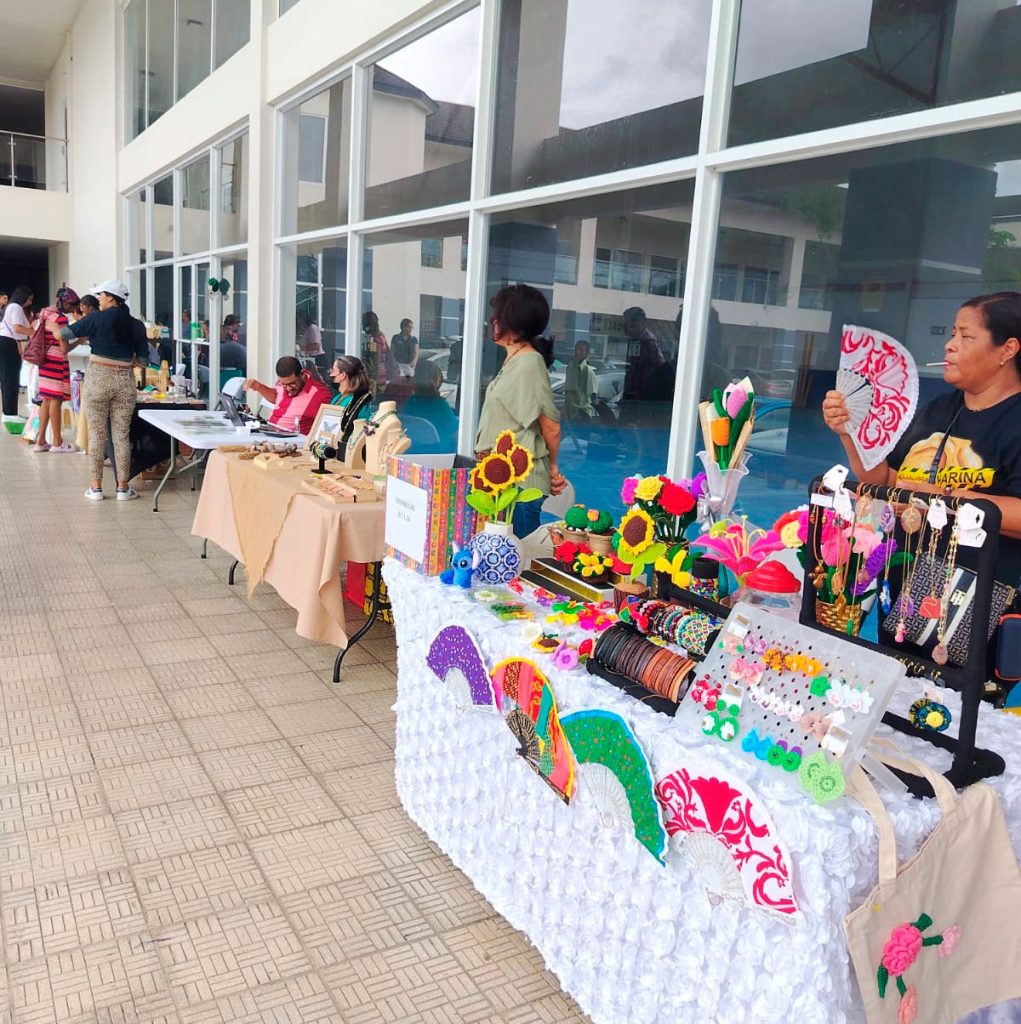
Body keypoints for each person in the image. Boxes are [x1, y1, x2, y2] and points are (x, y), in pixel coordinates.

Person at [823, 291, 1021, 584]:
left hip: (976, 600)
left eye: (966, 337)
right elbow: (887, 482)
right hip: (905, 588)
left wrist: (936, 499)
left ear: (1007, 349)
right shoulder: (936, 412)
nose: (949, 346)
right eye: (953, 335)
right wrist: (849, 433)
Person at [475, 284, 566, 538]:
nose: (493, 320)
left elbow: (551, 425)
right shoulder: (515, 358)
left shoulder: (528, 362)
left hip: (519, 485)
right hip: (503, 482)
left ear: (511, 322)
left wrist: (553, 468)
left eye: (498, 315)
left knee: (516, 565)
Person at [59, 279, 148, 501]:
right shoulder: (136, 325)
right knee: (121, 435)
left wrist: (52, 327)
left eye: (100, 295)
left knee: (97, 435)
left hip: (98, 376)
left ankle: (96, 488)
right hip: (124, 379)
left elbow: (65, 334)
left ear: (110, 297)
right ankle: (122, 488)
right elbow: (144, 361)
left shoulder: (95, 318)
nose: (98, 298)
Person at [33, 286, 82, 453]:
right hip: (56, 362)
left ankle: (40, 441)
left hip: (44, 360)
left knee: (46, 399)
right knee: (56, 400)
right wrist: (79, 341)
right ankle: (57, 442)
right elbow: (64, 348)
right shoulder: (61, 320)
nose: (73, 310)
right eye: (72, 306)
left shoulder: (44, 313)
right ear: (65, 304)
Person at [245, 355, 331, 434]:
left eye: (292, 383)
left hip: (294, 441)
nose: (288, 388)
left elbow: (327, 426)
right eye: (283, 384)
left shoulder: (319, 394)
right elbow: (277, 397)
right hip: (271, 432)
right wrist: (259, 387)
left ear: (302, 373)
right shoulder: (284, 384)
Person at [403, 360, 459, 453]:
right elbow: (455, 433)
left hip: (413, 451)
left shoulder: (411, 403)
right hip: (439, 453)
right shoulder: (440, 406)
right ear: (437, 379)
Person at [0, 285, 34, 422]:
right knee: (10, 379)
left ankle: (10, 412)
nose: (30, 302)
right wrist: (35, 333)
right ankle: (9, 413)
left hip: (8, 343)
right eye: (29, 299)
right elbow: (17, 328)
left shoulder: (10, 307)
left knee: (9, 378)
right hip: (7, 343)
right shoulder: (16, 307)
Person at [328, 355, 372, 455]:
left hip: (347, 452)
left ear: (343, 375)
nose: (331, 374)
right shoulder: (339, 397)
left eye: (333, 370)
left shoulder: (357, 403)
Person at [621, 306, 665, 401]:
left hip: (641, 396)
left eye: (629, 325)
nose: (626, 328)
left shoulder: (648, 342)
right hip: (633, 393)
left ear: (640, 324)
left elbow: (657, 368)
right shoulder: (635, 340)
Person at [362, 311, 397, 393]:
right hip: (381, 373)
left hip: (376, 375)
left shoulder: (374, 339)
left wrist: (374, 377)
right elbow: (388, 355)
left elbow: (375, 358)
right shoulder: (381, 335)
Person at [564, 339, 598, 421]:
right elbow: (567, 391)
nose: (579, 352)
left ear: (587, 353)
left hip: (583, 411)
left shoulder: (588, 371)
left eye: (582, 350)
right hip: (571, 411)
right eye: (577, 349)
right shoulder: (570, 367)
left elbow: (592, 395)